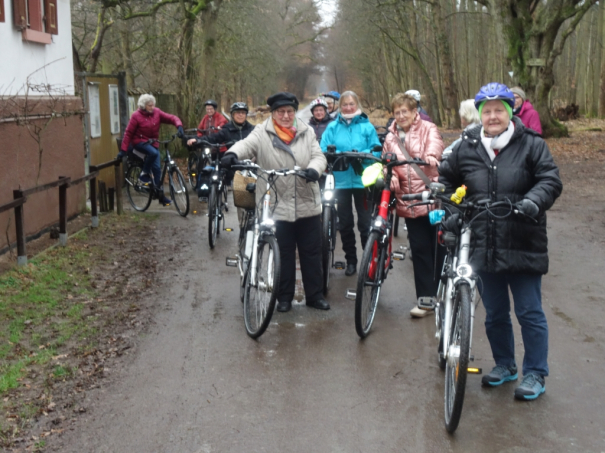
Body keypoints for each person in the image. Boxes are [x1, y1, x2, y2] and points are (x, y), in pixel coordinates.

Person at [439, 82, 562, 400]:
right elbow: (447, 182)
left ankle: (535, 372)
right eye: (487, 111)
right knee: (494, 313)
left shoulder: (532, 144)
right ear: (480, 114)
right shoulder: (466, 146)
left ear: (510, 112)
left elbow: (550, 179)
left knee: (529, 311)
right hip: (483, 241)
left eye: (499, 110)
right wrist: (452, 210)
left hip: (522, 239)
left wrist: (534, 200)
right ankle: (505, 365)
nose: (493, 116)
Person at [220, 92, 329, 313]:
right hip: (276, 202)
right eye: (281, 112)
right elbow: (246, 145)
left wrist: (314, 170)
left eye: (290, 111)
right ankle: (284, 298)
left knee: (311, 252)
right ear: (273, 113)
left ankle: (314, 296)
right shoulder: (262, 131)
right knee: (284, 252)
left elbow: (319, 156)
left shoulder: (306, 131)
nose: (286, 116)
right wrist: (232, 154)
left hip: (306, 200)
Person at [382, 93, 445, 318]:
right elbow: (387, 162)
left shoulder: (428, 128)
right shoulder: (390, 137)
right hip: (409, 201)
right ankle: (426, 300)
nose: (401, 116)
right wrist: (391, 177)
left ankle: (442, 291)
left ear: (414, 111)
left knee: (439, 247)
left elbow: (436, 144)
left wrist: (430, 155)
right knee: (419, 250)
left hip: (432, 197)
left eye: (405, 111)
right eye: (397, 112)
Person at [320, 91, 381, 276]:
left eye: (351, 104)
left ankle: (368, 260)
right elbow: (323, 148)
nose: (348, 107)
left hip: (363, 181)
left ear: (357, 105)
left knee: (364, 223)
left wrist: (362, 154)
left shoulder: (367, 127)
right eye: (344, 104)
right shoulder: (332, 127)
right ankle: (351, 261)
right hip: (341, 181)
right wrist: (338, 153)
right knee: (345, 223)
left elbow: (376, 150)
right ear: (340, 107)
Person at [120, 94, 184, 206]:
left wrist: (179, 126)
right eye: (150, 105)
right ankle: (143, 175)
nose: (152, 107)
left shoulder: (157, 112)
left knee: (157, 170)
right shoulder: (136, 116)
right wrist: (123, 150)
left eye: (153, 105)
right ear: (143, 106)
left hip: (153, 143)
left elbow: (171, 118)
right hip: (139, 142)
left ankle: (160, 196)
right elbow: (128, 133)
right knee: (153, 153)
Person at [188, 102, 255, 150]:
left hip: (250, 163)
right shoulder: (226, 130)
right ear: (232, 115)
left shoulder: (253, 130)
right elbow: (212, 138)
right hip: (233, 163)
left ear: (246, 115)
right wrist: (197, 140)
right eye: (238, 112)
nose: (240, 115)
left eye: (243, 113)